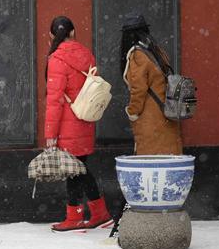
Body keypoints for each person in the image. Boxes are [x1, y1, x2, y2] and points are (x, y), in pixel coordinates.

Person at [44, 15, 113, 231]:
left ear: (51, 36)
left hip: (67, 124)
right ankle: (95, 214)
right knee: (77, 169)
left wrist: (50, 134)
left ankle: (79, 217)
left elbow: (54, 101)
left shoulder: (56, 60)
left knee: (75, 170)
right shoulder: (87, 55)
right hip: (86, 118)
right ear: (73, 33)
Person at [120, 13, 183, 156]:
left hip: (151, 120)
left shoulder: (137, 55)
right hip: (167, 114)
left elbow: (138, 89)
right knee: (168, 162)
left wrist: (132, 112)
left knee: (151, 164)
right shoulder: (156, 50)